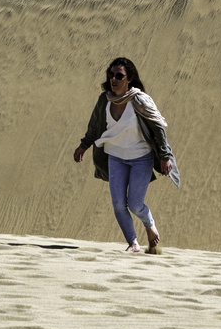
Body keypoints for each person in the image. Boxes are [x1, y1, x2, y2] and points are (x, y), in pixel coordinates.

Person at [73, 57, 175, 254]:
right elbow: (94, 126)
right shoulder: (105, 99)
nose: (114, 79)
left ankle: (149, 225)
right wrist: (83, 146)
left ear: (129, 79)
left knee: (135, 205)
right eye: (111, 75)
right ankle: (133, 244)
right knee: (119, 204)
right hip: (115, 156)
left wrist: (165, 156)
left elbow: (158, 128)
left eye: (119, 76)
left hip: (141, 158)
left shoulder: (139, 100)